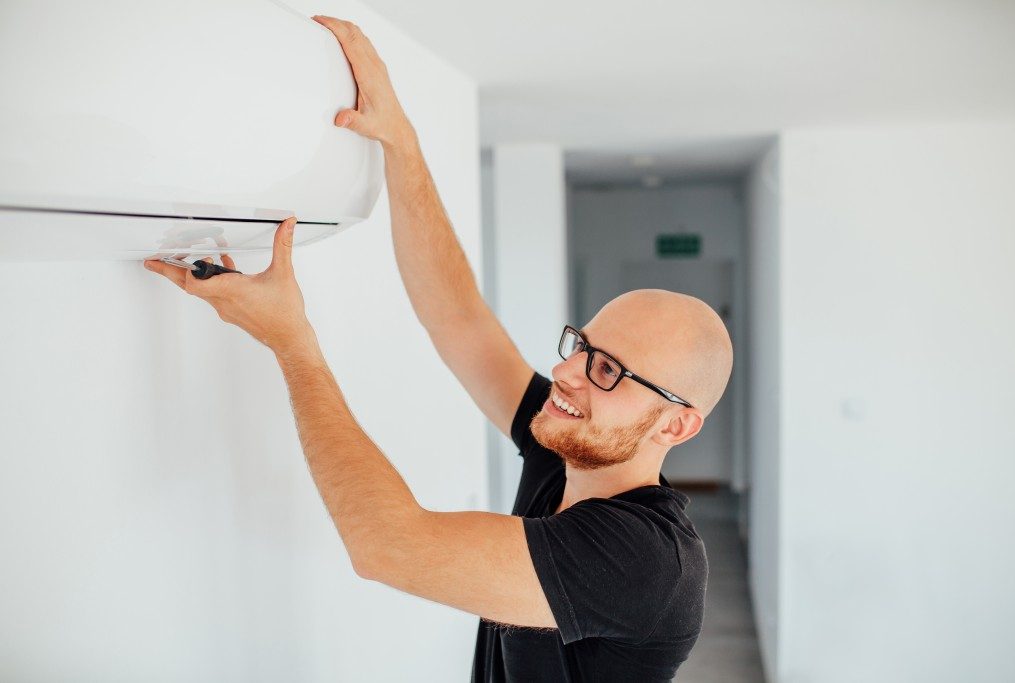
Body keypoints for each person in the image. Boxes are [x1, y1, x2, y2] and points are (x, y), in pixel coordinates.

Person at [144, 15, 732, 682]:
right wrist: (401, 143)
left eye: (608, 369)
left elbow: (388, 546)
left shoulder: (646, 560)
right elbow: (459, 319)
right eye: (581, 345)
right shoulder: (566, 445)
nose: (567, 371)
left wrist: (293, 343)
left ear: (677, 422)